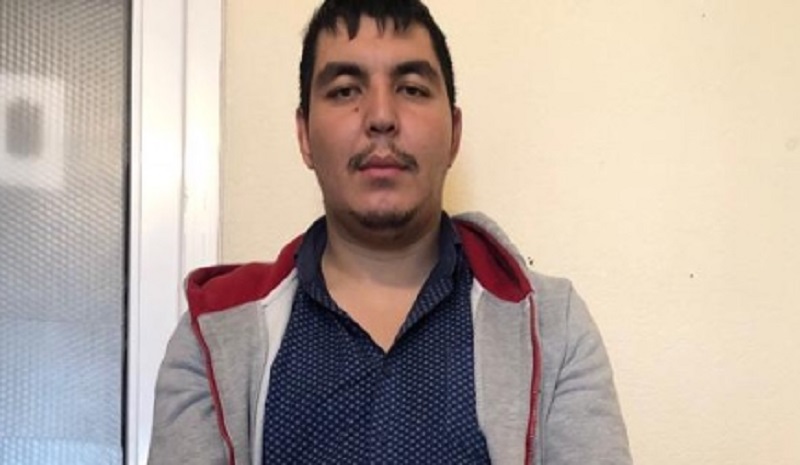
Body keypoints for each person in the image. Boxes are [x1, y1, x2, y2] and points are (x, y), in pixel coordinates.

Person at [148, 1, 632, 464]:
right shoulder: (211, 335)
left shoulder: (553, 327)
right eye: (345, 90)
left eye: (412, 89)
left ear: (454, 133)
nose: (381, 116)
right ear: (304, 135)